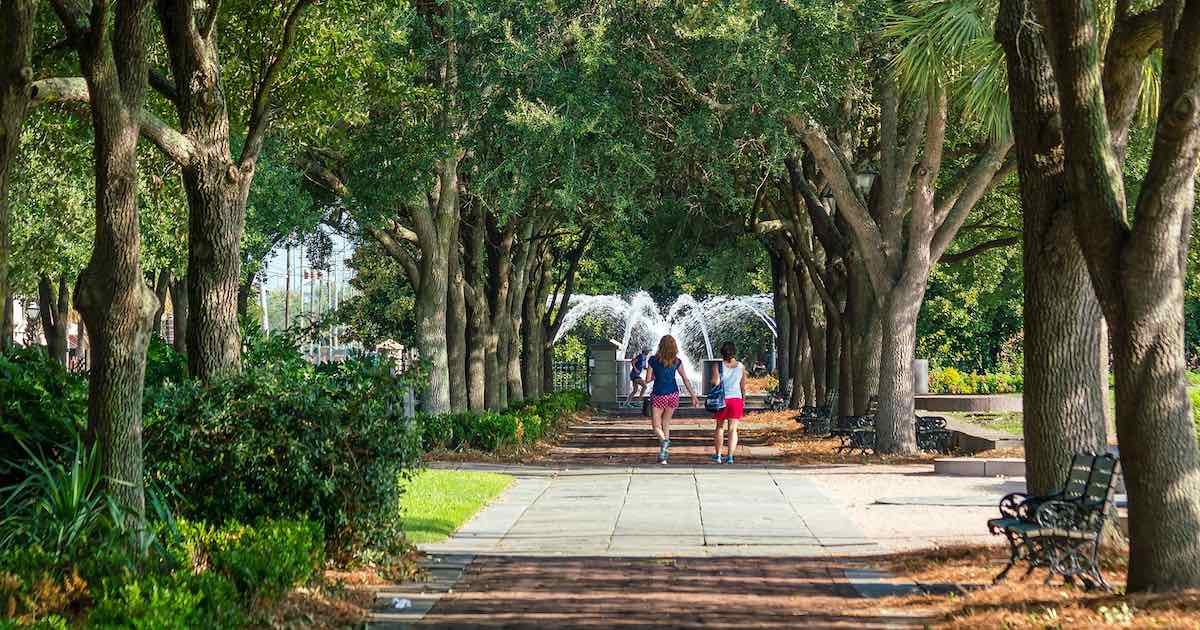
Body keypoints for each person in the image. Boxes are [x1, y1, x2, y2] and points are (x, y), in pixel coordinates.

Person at [645, 335, 699, 464]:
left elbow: (648, 379)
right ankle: (664, 456)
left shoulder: (653, 360)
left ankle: (664, 442)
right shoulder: (677, 361)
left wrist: (654, 376)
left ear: (660, 346)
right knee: (666, 424)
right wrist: (693, 395)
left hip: (659, 394)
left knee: (656, 426)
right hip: (673, 394)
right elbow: (685, 379)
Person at [711, 341, 747, 464]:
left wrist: (714, 378)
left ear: (722, 352)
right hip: (736, 399)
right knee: (733, 429)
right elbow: (743, 386)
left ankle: (718, 455)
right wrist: (744, 400)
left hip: (722, 400)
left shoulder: (718, 365)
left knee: (720, 427)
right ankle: (730, 456)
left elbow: (715, 382)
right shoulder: (741, 366)